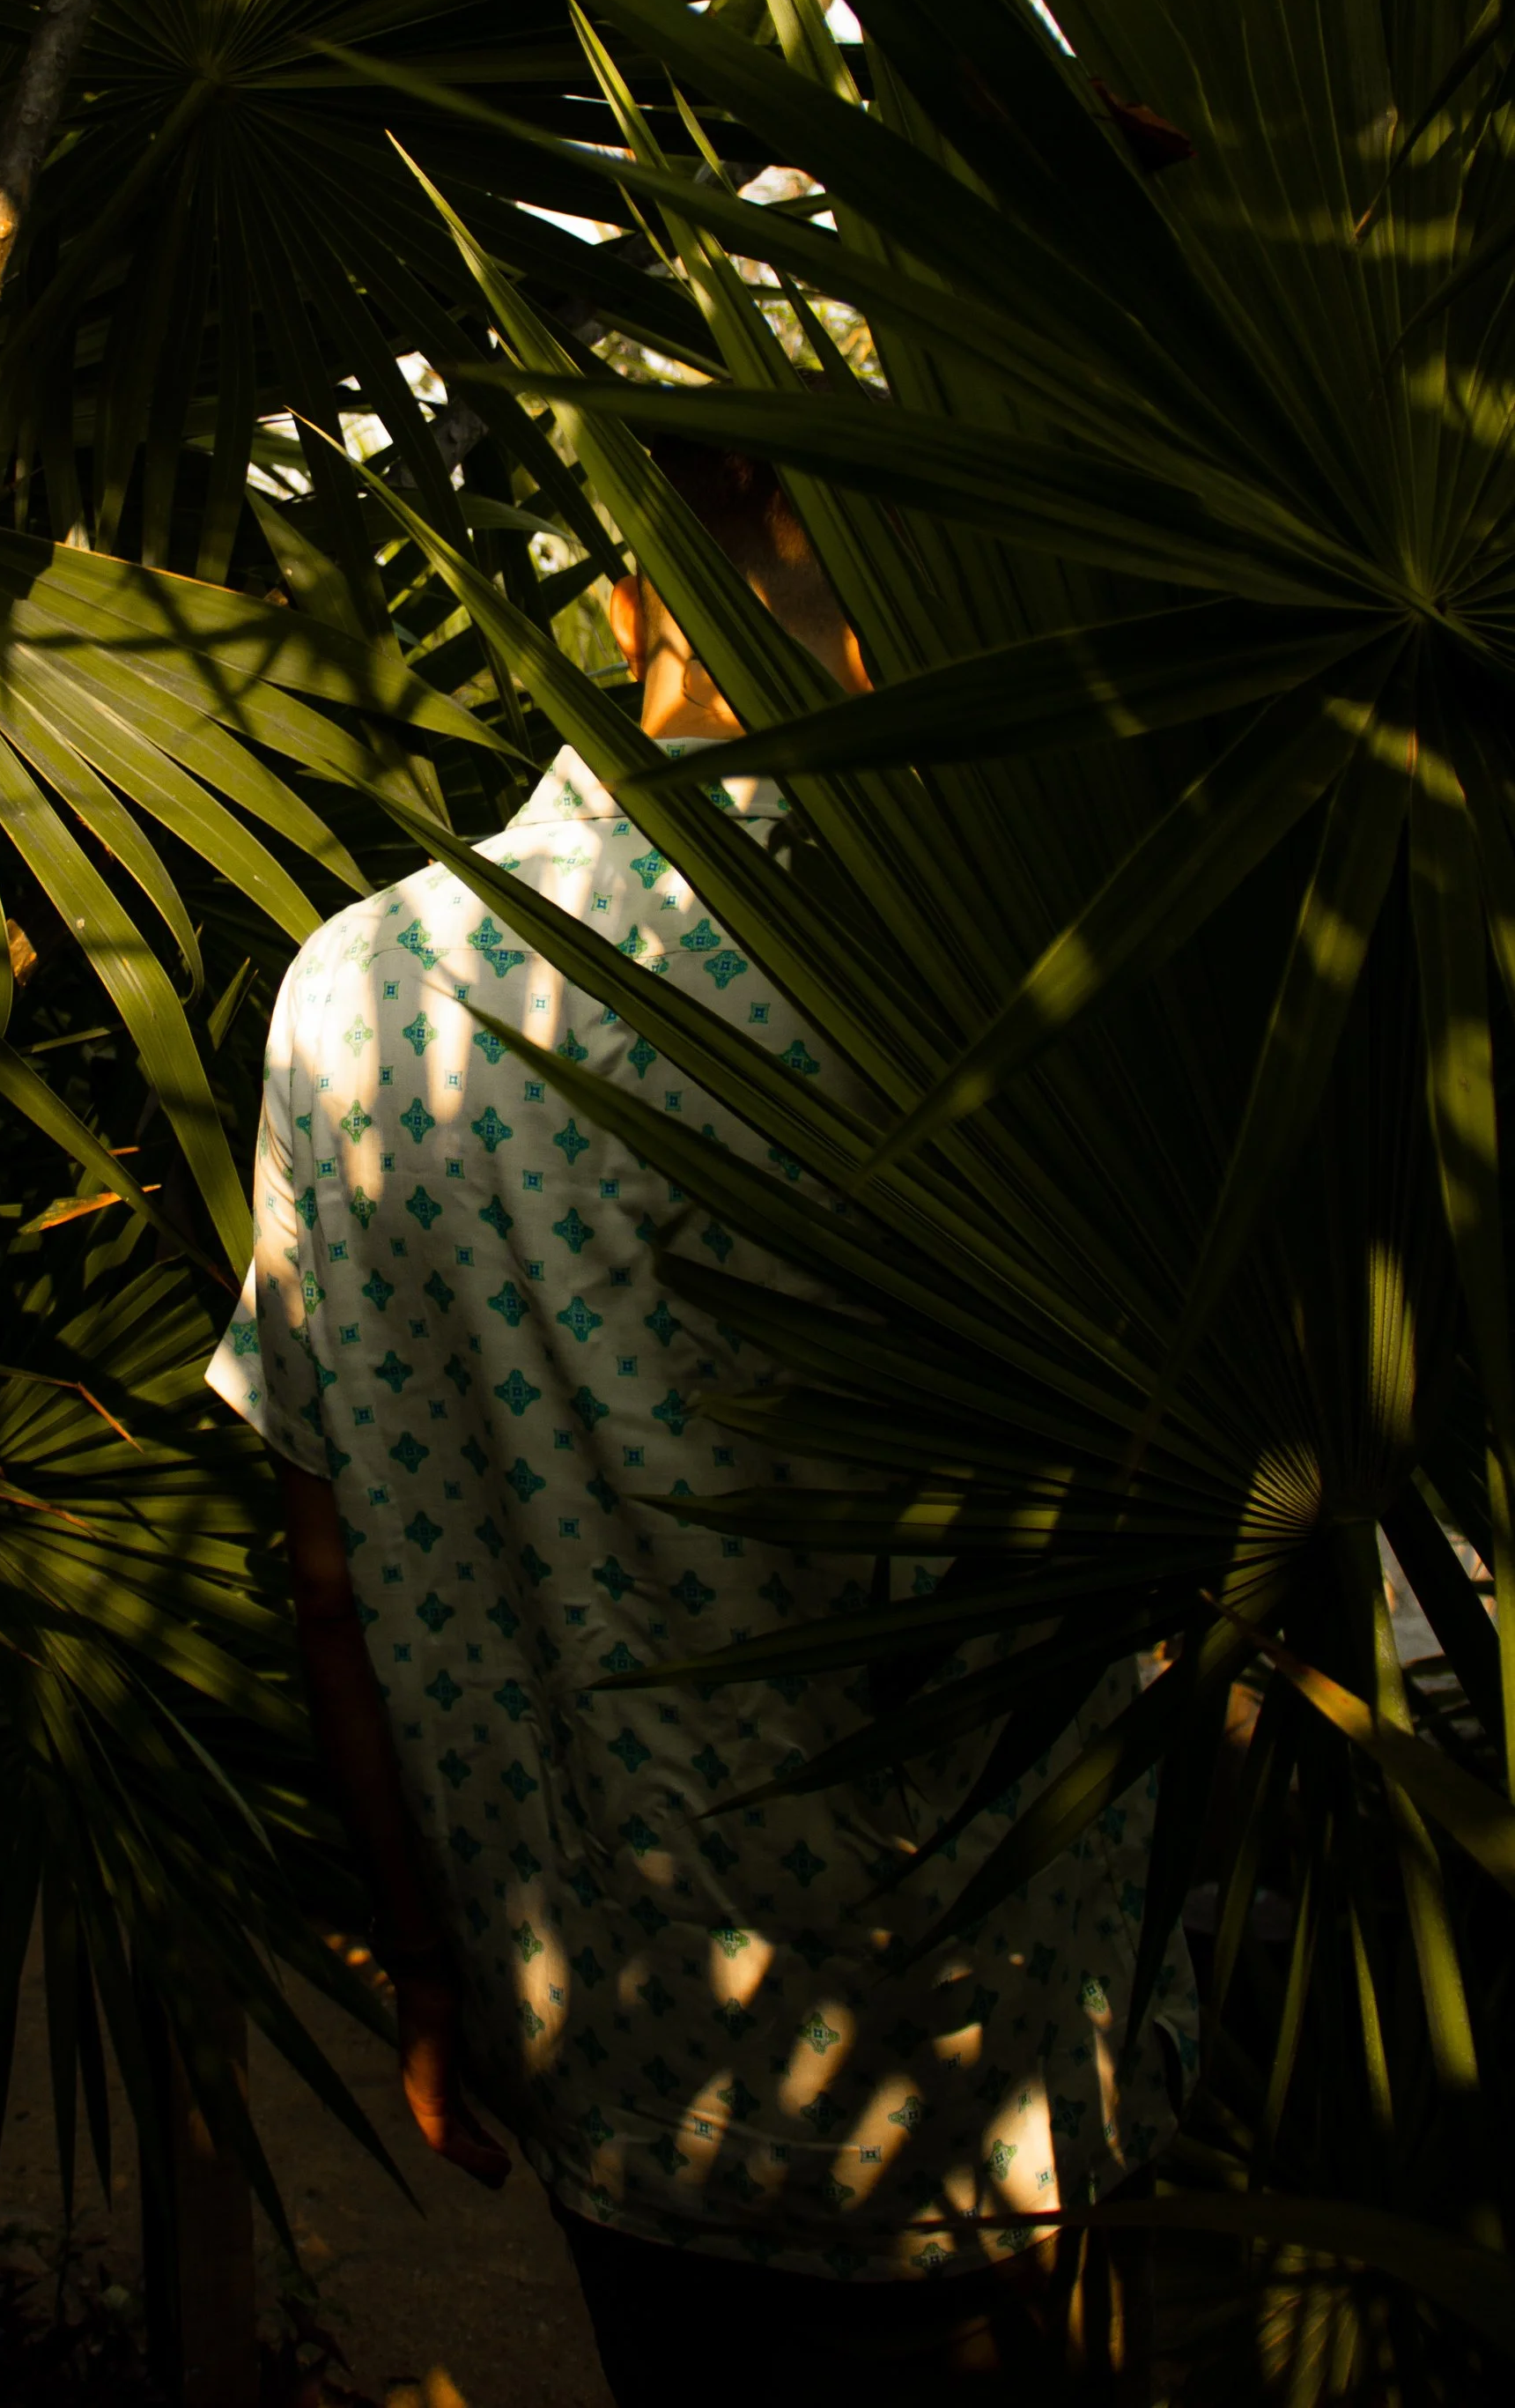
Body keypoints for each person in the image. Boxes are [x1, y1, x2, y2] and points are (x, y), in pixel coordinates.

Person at [206, 444, 1190, 2403]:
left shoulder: (365, 998)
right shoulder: (1057, 963)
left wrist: (420, 1961)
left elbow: (334, 1583)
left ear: (624, 589)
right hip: (1021, 2094)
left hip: (637, 2072)